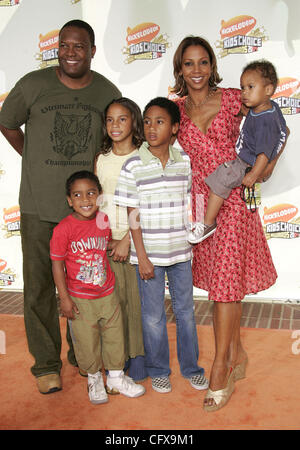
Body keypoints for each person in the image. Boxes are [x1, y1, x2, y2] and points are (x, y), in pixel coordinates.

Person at [0, 19, 121, 394]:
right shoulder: (33, 85)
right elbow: (7, 122)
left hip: (85, 211)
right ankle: (47, 366)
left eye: (79, 47)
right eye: (65, 46)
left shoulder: (105, 90)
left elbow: (118, 136)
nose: (71, 53)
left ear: (92, 51)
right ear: (57, 49)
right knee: (38, 288)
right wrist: (31, 157)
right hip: (39, 206)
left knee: (84, 285)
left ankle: (82, 357)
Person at [172, 36, 282, 411]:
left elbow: (274, 127)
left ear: (212, 65)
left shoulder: (236, 98)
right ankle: (237, 355)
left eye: (203, 62)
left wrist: (262, 171)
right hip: (203, 206)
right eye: (189, 63)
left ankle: (220, 369)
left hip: (234, 201)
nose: (197, 70)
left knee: (224, 288)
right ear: (180, 68)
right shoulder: (176, 111)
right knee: (222, 286)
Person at [114, 97, 208, 394]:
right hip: (149, 257)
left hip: (181, 254)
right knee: (152, 317)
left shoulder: (185, 163)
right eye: (147, 122)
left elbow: (189, 203)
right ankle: (158, 369)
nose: (152, 128)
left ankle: (191, 367)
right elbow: (133, 216)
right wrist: (140, 256)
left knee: (186, 314)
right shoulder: (133, 165)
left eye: (160, 121)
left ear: (175, 127)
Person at [50, 170, 145, 404]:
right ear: (69, 200)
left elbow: (103, 245)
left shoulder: (102, 219)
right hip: (80, 297)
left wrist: (122, 243)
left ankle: (115, 377)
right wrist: (64, 298)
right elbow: (57, 264)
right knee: (86, 340)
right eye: (78, 195)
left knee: (114, 336)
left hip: (107, 292)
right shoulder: (63, 228)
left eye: (91, 193)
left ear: (99, 197)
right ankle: (93, 378)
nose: (85, 200)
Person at [187, 60, 288, 244]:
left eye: (250, 87)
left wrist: (255, 174)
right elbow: (284, 129)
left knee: (221, 180)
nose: (244, 93)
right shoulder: (264, 107)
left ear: (268, 90)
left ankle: (208, 223)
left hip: (245, 166)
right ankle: (205, 221)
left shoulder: (263, 119)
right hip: (200, 189)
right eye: (243, 88)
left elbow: (265, 152)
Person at [94, 97, 147, 382]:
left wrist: (127, 239)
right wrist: (102, 239)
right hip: (106, 241)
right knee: (112, 305)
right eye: (110, 119)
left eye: (122, 119)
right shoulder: (101, 158)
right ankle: (118, 356)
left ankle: (138, 356)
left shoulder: (142, 156)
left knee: (135, 303)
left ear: (134, 121)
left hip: (133, 240)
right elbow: (96, 200)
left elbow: (147, 202)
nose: (115, 125)